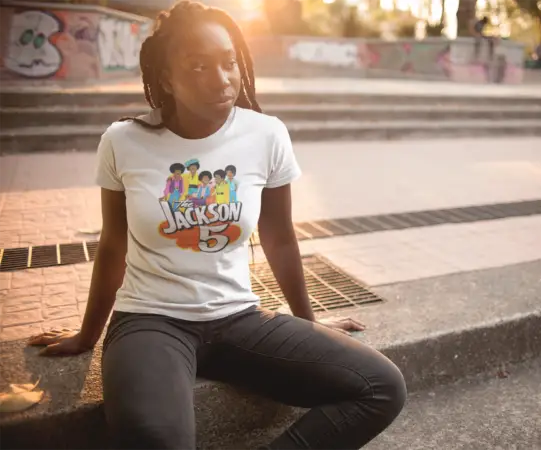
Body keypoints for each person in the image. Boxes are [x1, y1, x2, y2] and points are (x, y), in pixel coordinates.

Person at [26, 2, 406, 450]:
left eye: (229, 63)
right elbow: (113, 245)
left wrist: (310, 323)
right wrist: (87, 335)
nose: (223, 78)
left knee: (382, 386)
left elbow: (280, 237)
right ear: (166, 77)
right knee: (156, 440)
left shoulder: (266, 134)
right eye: (199, 66)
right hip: (151, 321)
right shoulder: (122, 141)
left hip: (238, 318)